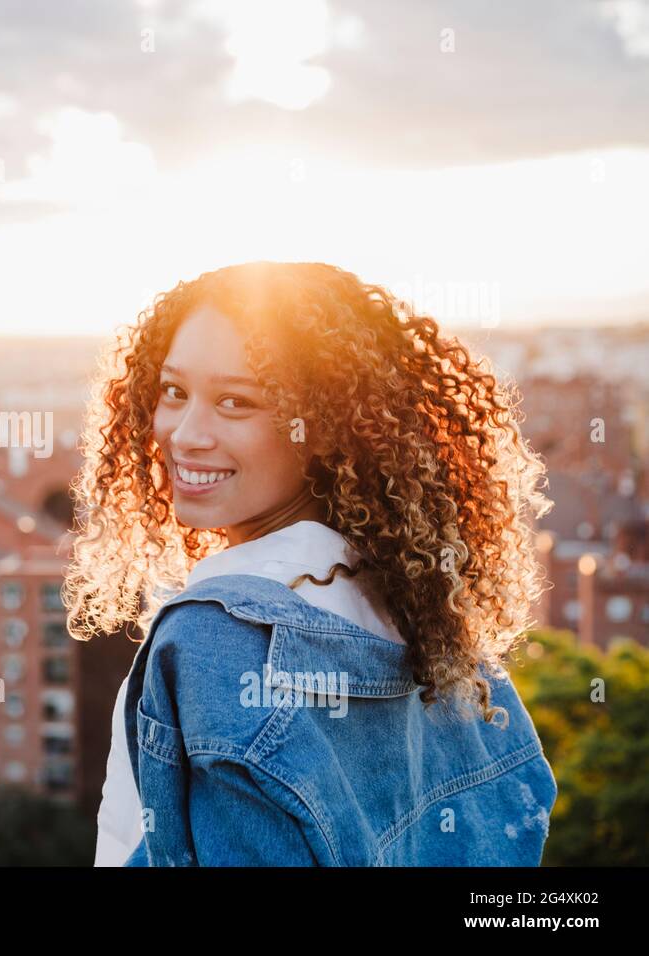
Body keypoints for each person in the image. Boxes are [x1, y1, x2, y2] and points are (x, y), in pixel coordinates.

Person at [65, 261, 558, 866]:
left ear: (323, 427)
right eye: (174, 391)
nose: (185, 433)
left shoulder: (212, 641)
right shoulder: (423, 614)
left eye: (235, 401)